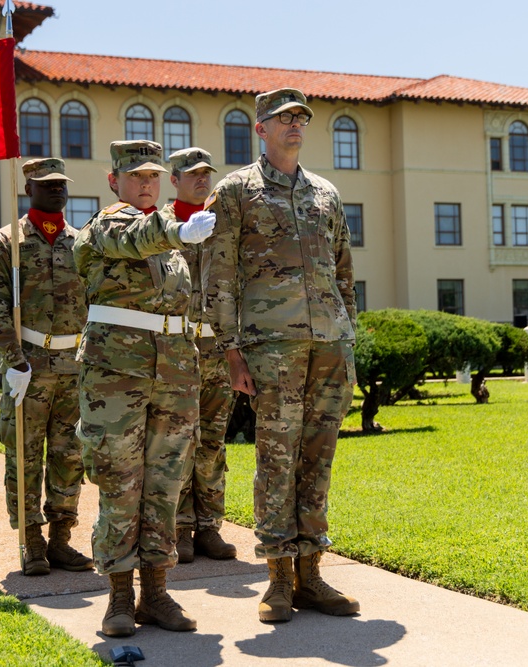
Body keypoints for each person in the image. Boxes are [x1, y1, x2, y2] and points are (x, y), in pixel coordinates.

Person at [205, 88, 360, 623]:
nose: (295, 126)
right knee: (276, 459)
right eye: (283, 119)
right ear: (260, 128)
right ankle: (276, 580)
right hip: (271, 347)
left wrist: (349, 339)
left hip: (329, 346)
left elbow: (344, 272)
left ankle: (312, 576)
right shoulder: (234, 193)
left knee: (318, 458)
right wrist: (229, 350)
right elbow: (218, 275)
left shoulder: (325, 193)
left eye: (301, 119)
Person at [73, 140, 215, 638]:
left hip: (174, 375)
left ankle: (155, 593)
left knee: (166, 485)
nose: (147, 183)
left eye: (154, 175)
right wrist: (177, 228)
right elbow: (135, 238)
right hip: (117, 377)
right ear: (114, 181)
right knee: (120, 484)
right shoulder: (105, 226)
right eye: (136, 176)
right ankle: (117, 599)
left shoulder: (171, 245)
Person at [0, 157, 94, 579]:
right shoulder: (4, 244)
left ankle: (61, 539)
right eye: (47, 185)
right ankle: (32, 541)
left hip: (72, 366)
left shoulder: (81, 243)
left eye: (61, 184)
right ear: (29, 189)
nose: (57, 190)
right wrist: (13, 359)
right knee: (23, 457)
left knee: (69, 455)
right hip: (27, 367)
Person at [161, 147, 237, 563]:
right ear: (174, 180)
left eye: (207, 172)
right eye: (192, 174)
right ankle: (180, 528)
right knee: (179, 441)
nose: (202, 179)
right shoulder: (162, 226)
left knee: (212, 441)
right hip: (177, 348)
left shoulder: (225, 224)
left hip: (219, 349)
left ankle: (210, 527)